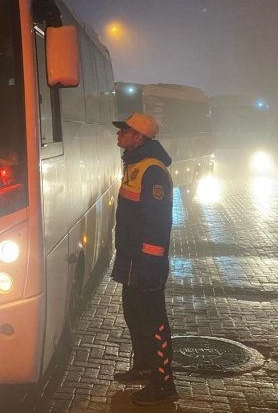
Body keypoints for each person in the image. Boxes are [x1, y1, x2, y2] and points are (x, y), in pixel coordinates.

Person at [111, 113, 178, 405]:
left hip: (146, 262)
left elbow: (157, 222)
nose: (119, 134)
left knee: (153, 320)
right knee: (133, 313)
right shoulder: (134, 164)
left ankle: (164, 384)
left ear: (139, 137)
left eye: (124, 131)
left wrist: (150, 264)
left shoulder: (153, 171)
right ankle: (144, 366)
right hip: (130, 257)